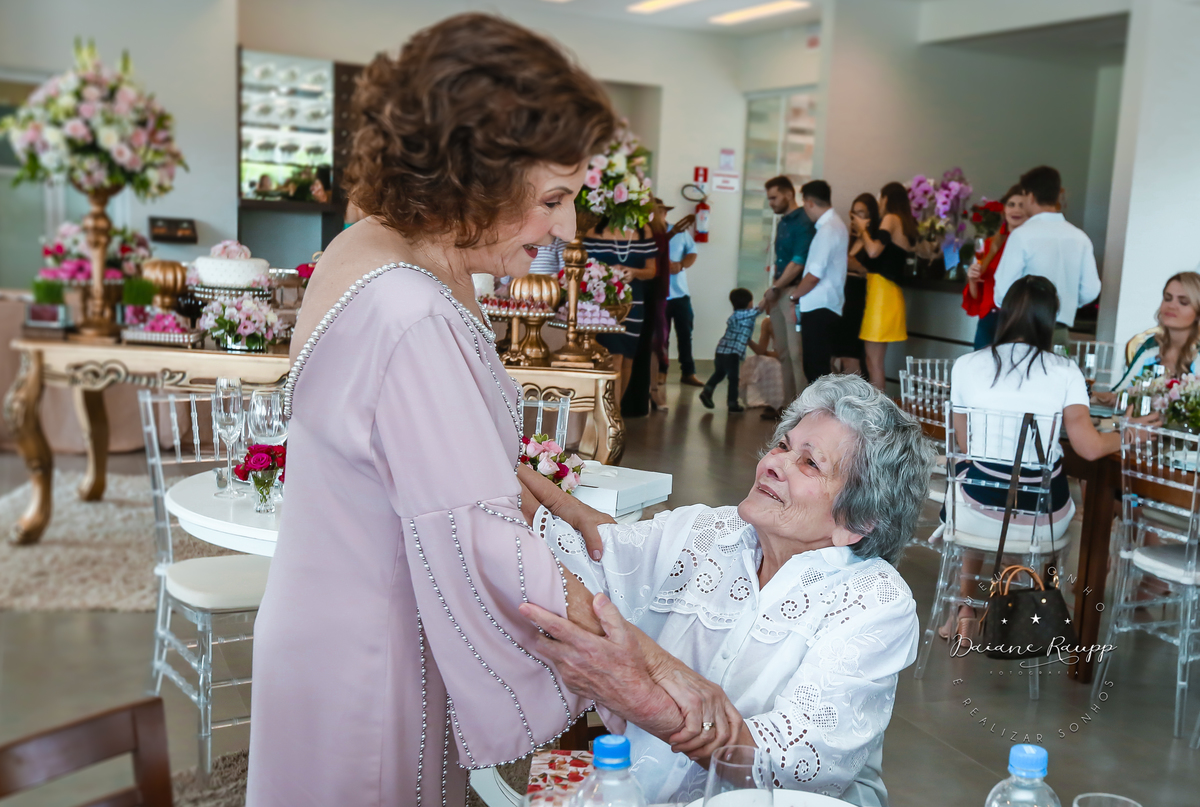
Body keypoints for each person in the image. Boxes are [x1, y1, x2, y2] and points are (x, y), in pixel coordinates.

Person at [246, 17, 705, 805]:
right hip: (374, 655)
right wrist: (649, 672)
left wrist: (562, 504)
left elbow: (437, 456)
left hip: (327, 618)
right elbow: (481, 537)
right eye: (553, 200)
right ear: (474, 176)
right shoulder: (411, 309)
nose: (567, 229)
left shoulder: (375, 244)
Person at [520, 374, 935, 805]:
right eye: (783, 445)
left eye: (810, 463)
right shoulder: (708, 530)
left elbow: (795, 762)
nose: (774, 463)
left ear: (858, 521)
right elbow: (583, 555)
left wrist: (648, 698)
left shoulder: (874, 600)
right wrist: (504, 474)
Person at [940, 276, 1139, 639]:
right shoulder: (1065, 370)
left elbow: (965, 445)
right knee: (1041, 501)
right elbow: (1090, 447)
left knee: (975, 484)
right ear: (1051, 318)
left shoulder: (967, 364)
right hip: (1041, 520)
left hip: (975, 514)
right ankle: (1030, 602)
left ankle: (965, 609)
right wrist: (1129, 434)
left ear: (1004, 313)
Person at [991, 166, 1101, 346]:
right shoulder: (1080, 237)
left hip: (1023, 330)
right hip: (1060, 331)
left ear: (1030, 196)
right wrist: (1065, 303)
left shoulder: (1022, 235)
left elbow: (1004, 292)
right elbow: (1091, 290)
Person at [588, 223, 659, 413]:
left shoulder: (644, 230)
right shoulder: (594, 230)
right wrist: (604, 272)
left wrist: (634, 272)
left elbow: (651, 270)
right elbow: (583, 266)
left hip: (634, 303)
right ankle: (608, 414)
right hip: (603, 303)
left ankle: (615, 412)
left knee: (627, 358)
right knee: (613, 356)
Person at [760, 175, 816, 404]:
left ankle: (803, 408)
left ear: (789, 194)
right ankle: (787, 406)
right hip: (779, 289)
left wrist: (775, 287)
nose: (771, 203)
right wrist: (772, 291)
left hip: (794, 291)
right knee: (782, 352)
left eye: (774, 198)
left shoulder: (803, 221)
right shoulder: (783, 222)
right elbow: (782, 262)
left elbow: (798, 262)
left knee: (796, 354)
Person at [788, 179, 848, 384]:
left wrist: (794, 296)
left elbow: (814, 275)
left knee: (816, 369)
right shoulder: (834, 225)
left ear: (809, 202)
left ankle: (824, 406)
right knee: (818, 367)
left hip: (820, 306)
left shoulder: (828, 229)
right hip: (826, 304)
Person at [1103, 272, 1200, 395]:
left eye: (1183, 302)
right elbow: (1119, 395)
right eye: (1167, 298)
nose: (1171, 305)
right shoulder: (1152, 346)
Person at [849, 191, 908, 390]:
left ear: (886, 199)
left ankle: (878, 406)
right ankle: (877, 404)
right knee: (872, 360)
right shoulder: (902, 224)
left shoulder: (891, 218)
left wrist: (862, 231)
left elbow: (873, 251)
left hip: (881, 295)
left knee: (874, 362)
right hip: (881, 293)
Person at [962, 186, 1028, 349]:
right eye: (1011, 204)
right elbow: (977, 296)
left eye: (1022, 205)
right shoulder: (990, 244)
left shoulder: (1031, 245)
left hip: (1019, 320)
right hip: (989, 321)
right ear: (1004, 210)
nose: (1016, 210)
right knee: (981, 365)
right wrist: (972, 279)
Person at [699, 288, 760, 412]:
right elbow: (760, 309)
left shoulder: (736, 315)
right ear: (749, 302)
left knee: (719, 373)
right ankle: (732, 403)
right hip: (731, 353)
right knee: (733, 379)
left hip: (721, 350)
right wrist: (770, 295)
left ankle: (707, 390)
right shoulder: (745, 314)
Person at [664, 206, 702, 387]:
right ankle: (660, 373)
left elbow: (692, 252)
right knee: (660, 338)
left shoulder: (679, 231)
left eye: (661, 211)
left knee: (685, 334)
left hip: (680, 293)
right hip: (658, 295)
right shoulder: (646, 234)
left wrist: (680, 265)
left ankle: (688, 372)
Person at [740, 316, 785, 416]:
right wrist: (748, 340)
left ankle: (781, 404)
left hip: (791, 357)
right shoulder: (767, 322)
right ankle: (773, 402)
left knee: (774, 366)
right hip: (779, 356)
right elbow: (761, 351)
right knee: (754, 361)